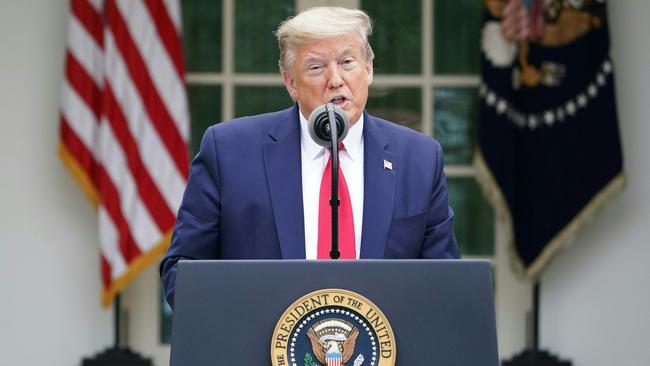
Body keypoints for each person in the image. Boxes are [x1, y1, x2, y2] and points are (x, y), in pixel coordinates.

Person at [160, 7, 459, 307]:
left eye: (347, 62)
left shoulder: (419, 159)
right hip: (260, 351)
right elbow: (182, 274)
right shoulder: (228, 151)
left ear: (368, 68)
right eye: (316, 67)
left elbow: (444, 285)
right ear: (290, 82)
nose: (335, 79)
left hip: (386, 350)